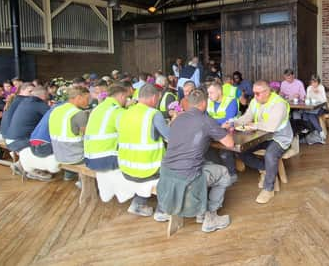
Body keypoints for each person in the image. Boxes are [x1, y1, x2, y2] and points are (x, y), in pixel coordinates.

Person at [156, 89, 234, 233]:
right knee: (223, 173)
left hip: (166, 173)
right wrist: (223, 131)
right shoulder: (206, 120)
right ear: (204, 103)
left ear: (189, 103)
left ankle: (201, 212)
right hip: (188, 176)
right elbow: (229, 143)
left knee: (208, 164)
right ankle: (210, 217)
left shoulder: (177, 119)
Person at [118, 83, 170, 217]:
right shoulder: (153, 114)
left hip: (126, 168)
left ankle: (138, 204)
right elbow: (170, 137)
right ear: (154, 98)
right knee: (174, 171)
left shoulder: (126, 112)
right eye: (157, 100)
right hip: (147, 169)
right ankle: (162, 211)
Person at [238, 80, 293, 204]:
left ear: (267, 91)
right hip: (262, 137)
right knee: (241, 150)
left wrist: (254, 125)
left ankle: (269, 189)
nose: (255, 96)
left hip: (280, 138)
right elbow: (247, 117)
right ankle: (265, 169)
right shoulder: (255, 101)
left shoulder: (279, 104)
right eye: (254, 93)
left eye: (258, 93)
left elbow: (272, 127)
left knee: (270, 155)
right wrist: (234, 123)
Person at [6, 86, 52, 181]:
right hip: (20, 141)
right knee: (49, 142)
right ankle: (33, 170)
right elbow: (53, 116)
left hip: (11, 137)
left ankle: (20, 164)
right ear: (43, 95)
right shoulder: (39, 104)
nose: (49, 97)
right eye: (48, 95)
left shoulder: (25, 102)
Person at [84, 84, 130, 171]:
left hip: (89, 158)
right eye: (126, 97)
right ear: (121, 96)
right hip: (106, 159)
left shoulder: (97, 108)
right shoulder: (118, 111)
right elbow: (130, 134)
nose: (126, 100)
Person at [49, 86, 90, 169]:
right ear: (78, 98)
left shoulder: (56, 110)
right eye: (87, 99)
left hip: (59, 156)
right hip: (77, 158)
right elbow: (89, 137)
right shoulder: (79, 114)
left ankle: (69, 176)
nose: (88, 102)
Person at [206, 82, 239, 183]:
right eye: (208, 93)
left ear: (219, 92)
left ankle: (232, 174)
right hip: (213, 131)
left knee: (225, 151)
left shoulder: (231, 101)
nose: (209, 95)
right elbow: (204, 117)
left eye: (211, 93)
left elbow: (228, 120)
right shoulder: (209, 101)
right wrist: (216, 123)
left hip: (229, 132)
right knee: (206, 149)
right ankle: (220, 172)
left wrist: (211, 122)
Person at [301, 74, 327, 144]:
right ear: (311, 82)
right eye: (313, 82)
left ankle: (320, 131)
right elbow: (308, 98)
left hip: (321, 107)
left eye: (316, 82)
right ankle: (311, 131)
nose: (314, 84)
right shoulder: (309, 88)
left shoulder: (321, 88)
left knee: (310, 115)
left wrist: (318, 94)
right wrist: (309, 94)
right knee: (303, 113)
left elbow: (324, 100)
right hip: (311, 108)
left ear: (318, 82)